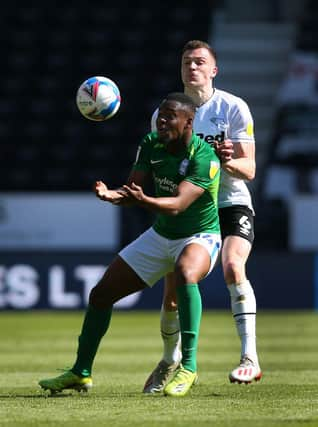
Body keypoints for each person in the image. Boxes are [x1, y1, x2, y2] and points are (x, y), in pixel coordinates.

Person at [38, 92, 222, 397]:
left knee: (186, 272)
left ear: (189, 122)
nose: (162, 120)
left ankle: (188, 366)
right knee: (101, 294)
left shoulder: (205, 158)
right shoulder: (151, 143)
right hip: (161, 235)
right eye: (161, 114)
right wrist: (114, 195)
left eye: (170, 116)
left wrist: (142, 199)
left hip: (199, 236)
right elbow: (132, 189)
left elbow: (177, 204)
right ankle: (80, 372)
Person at [142, 40, 262, 394]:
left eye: (199, 62)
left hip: (230, 202)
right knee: (172, 291)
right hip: (191, 207)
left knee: (232, 267)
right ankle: (169, 360)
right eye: (186, 62)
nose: (192, 68)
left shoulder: (233, 108)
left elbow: (250, 169)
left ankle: (249, 358)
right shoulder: (165, 112)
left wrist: (227, 162)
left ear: (214, 70)